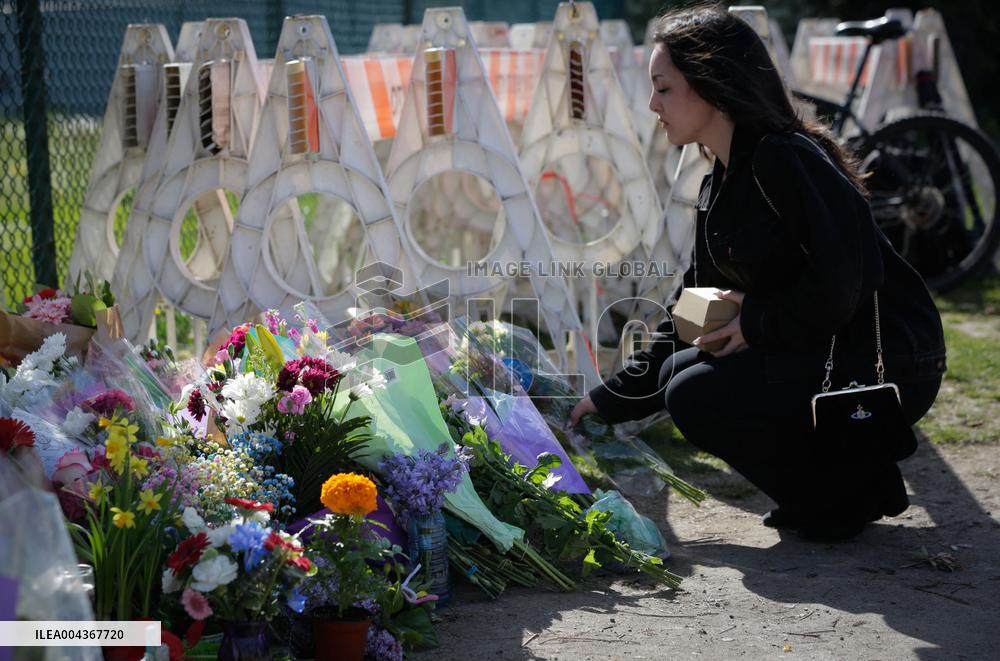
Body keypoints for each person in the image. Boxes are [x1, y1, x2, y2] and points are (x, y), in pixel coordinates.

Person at [568, 3, 946, 541]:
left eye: (664, 88)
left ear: (712, 85)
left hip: (891, 358)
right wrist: (606, 400)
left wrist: (754, 323)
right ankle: (845, 490)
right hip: (819, 347)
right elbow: (693, 309)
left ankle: (842, 494)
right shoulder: (718, 183)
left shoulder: (785, 159)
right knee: (681, 372)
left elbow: (845, 284)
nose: (651, 104)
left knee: (695, 392)